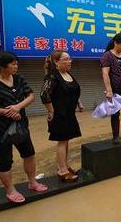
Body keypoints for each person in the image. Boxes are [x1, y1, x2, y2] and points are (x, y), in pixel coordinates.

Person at [0, 51, 48, 204]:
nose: (17, 66)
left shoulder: (18, 78)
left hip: (21, 126)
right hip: (0, 129)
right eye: (13, 64)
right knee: (5, 161)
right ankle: (10, 190)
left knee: (29, 154)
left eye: (17, 63)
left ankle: (32, 182)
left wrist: (17, 107)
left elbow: (31, 96)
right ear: (2, 66)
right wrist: (7, 112)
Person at [40, 50, 83, 182]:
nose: (69, 61)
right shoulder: (52, 76)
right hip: (59, 114)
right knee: (62, 141)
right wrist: (51, 111)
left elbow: (73, 91)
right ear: (56, 62)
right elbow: (44, 94)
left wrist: (79, 103)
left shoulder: (67, 74)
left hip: (69, 113)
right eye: (66, 59)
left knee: (66, 140)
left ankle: (64, 165)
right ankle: (62, 171)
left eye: (70, 59)